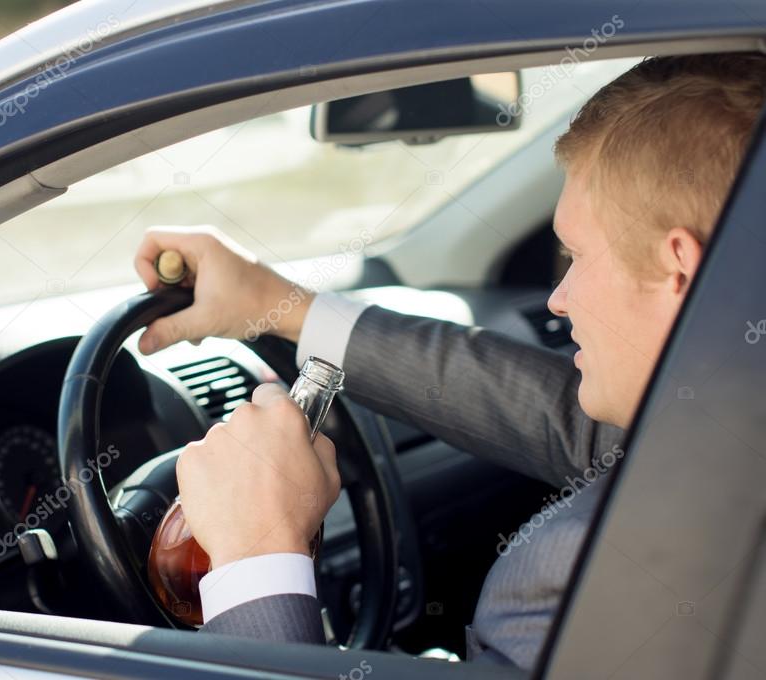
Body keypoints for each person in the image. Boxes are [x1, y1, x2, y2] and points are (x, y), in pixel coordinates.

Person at [132, 54, 766, 670]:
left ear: (679, 268)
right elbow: (569, 425)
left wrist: (256, 557)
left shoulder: (632, 571)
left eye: (574, 258)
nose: (559, 299)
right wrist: (276, 304)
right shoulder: (729, 426)